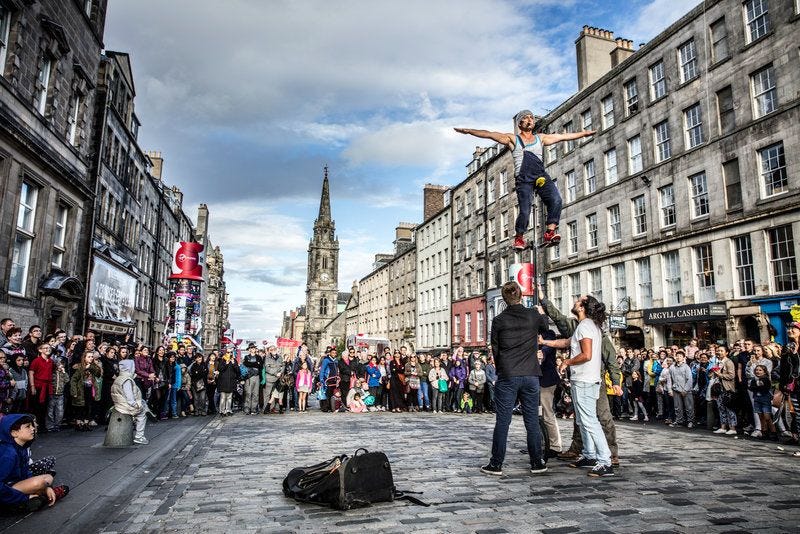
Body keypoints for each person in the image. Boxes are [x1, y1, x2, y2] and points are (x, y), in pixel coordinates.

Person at [454, 110, 595, 249]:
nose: (530, 120)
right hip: (523, 179)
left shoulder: (541, 138)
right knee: (525, 210)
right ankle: (519, 237)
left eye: (532, 118)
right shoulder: (513, 139)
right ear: (519, 123)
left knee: (556, 200)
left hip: (540, 175)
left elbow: (563, 137)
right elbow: (489, 134)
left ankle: (549, 232)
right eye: (526, 118)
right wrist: (468, 131)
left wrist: (583, 134)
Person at [541, 295, 614, 477]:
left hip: (585, 380)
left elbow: (587, 354)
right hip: (582, 380)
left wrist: (567, 362)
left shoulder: (586, 326)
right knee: (582, 419)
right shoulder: (586, 326)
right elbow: (567, 342)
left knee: (590, 420)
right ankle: (589, 455)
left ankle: (605, 460)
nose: (574, 301)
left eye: (578, 300)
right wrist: (544, 342)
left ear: (582, 308)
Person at [481, 281, 548, 476]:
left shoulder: (499, 320)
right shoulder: (533, 315)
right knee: (532, 421)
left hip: (508, 374)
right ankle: (537, 462)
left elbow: (496, 349)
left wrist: (502, 370)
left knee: (503, 421)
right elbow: (545, 327)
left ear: (504, 298)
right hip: (530, 374)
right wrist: (539, 310)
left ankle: (496, 464)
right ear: (521, 296)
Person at [0, 414, 69, 513]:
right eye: (28, 426)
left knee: (48, 477)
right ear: (14, 433)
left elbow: (26, 473)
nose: (33, 428)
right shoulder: (8, 454)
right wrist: (25, 497)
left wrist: (47, 487)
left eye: (32, 425)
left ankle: (42, 497)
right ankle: (25, 502)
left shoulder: (21, 448)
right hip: (6, 488)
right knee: (39, 482)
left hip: (15, 484)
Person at [112, 359, 149, 445]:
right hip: (125, 406)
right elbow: (129, 397)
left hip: (119, 404)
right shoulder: (127, 380)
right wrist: (135, 404)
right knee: (142, 414)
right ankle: (139, 436)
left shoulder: (119, 378)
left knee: (143, 403)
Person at [241, 344, 263, 415]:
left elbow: (260, 366)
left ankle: (254, 408)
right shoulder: (246, 357)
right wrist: (255, 363)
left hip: (257, 376)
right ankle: (247, 408)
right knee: (248, 393)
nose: (253, 349)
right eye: (251, 348)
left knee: (256, 393)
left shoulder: (259, 357)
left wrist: (253, 364)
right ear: (249, 349)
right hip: (249, 377)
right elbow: (246, 364)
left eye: (254, 348)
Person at [216, 349, 238, 416]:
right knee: (223, 397)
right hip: (223, 381)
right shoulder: (222, 360)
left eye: (231, 352)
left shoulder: (234, 360)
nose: (230, 354)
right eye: (228, 352)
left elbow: (237, 370)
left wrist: (234, 364)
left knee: (229, 397)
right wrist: (226, 363)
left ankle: (228, 410)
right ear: (225, 353)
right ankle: (222, 411)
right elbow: (220, 369)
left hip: (231, 381)